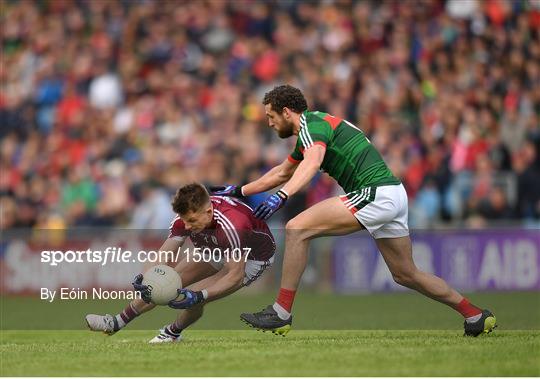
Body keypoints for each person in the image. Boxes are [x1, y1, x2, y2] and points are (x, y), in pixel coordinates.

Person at [211, 85, 497, 337]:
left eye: (271, 117)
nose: (270, 124)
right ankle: (475, 315)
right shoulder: (313, 129)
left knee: (297, 228)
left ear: (287, 112)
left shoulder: (313, 127)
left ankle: (281, 312)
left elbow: (312, 163)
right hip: (393, 193)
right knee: (406, 274)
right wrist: (239, 191)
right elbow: (282, 171)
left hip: (374, 193)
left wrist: (282, 197)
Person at [85, 183, 275, 343]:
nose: (187, 226)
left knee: (195, 297)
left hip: (252, 256)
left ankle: (172, 333)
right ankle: (116, 322)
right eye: (184, 220)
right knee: (161, 283)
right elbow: (165, 252)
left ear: (208, 212)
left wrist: (201, 295)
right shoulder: (186, 218)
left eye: (191, 220)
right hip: (214, 245)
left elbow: (235, 276)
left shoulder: (234, 225)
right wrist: (146, 277)